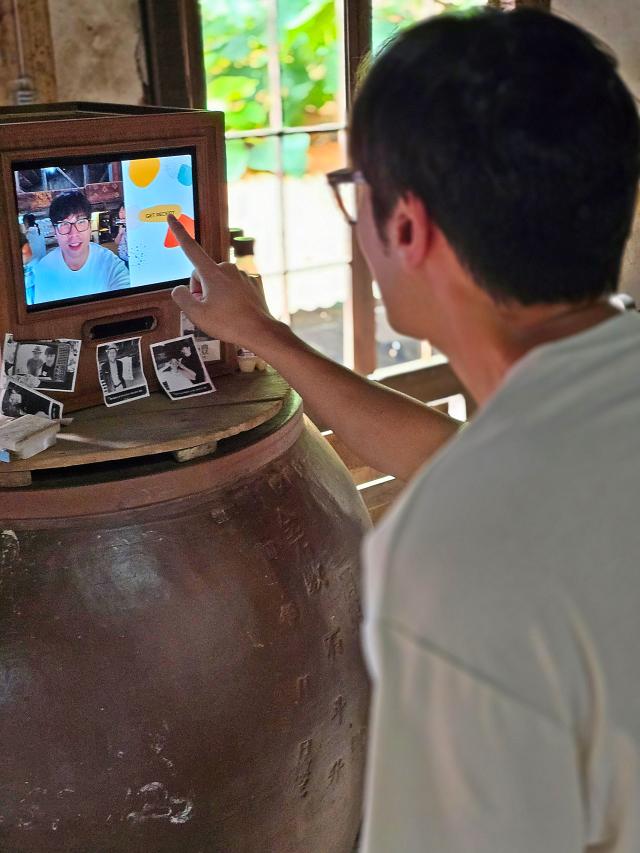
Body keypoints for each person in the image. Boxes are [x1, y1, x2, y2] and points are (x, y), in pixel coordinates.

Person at [168, 9, 640, 852]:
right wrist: (266, 336)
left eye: (357, 194)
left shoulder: (458, 552)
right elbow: (471, 463)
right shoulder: (595, 406)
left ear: (409, 227)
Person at [33, 190, 130, 304]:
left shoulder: (111, 265)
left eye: (81, 222)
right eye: (64, 224)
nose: (73, 234)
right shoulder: (43, 270)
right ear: (55, 230)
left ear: (89, 226)